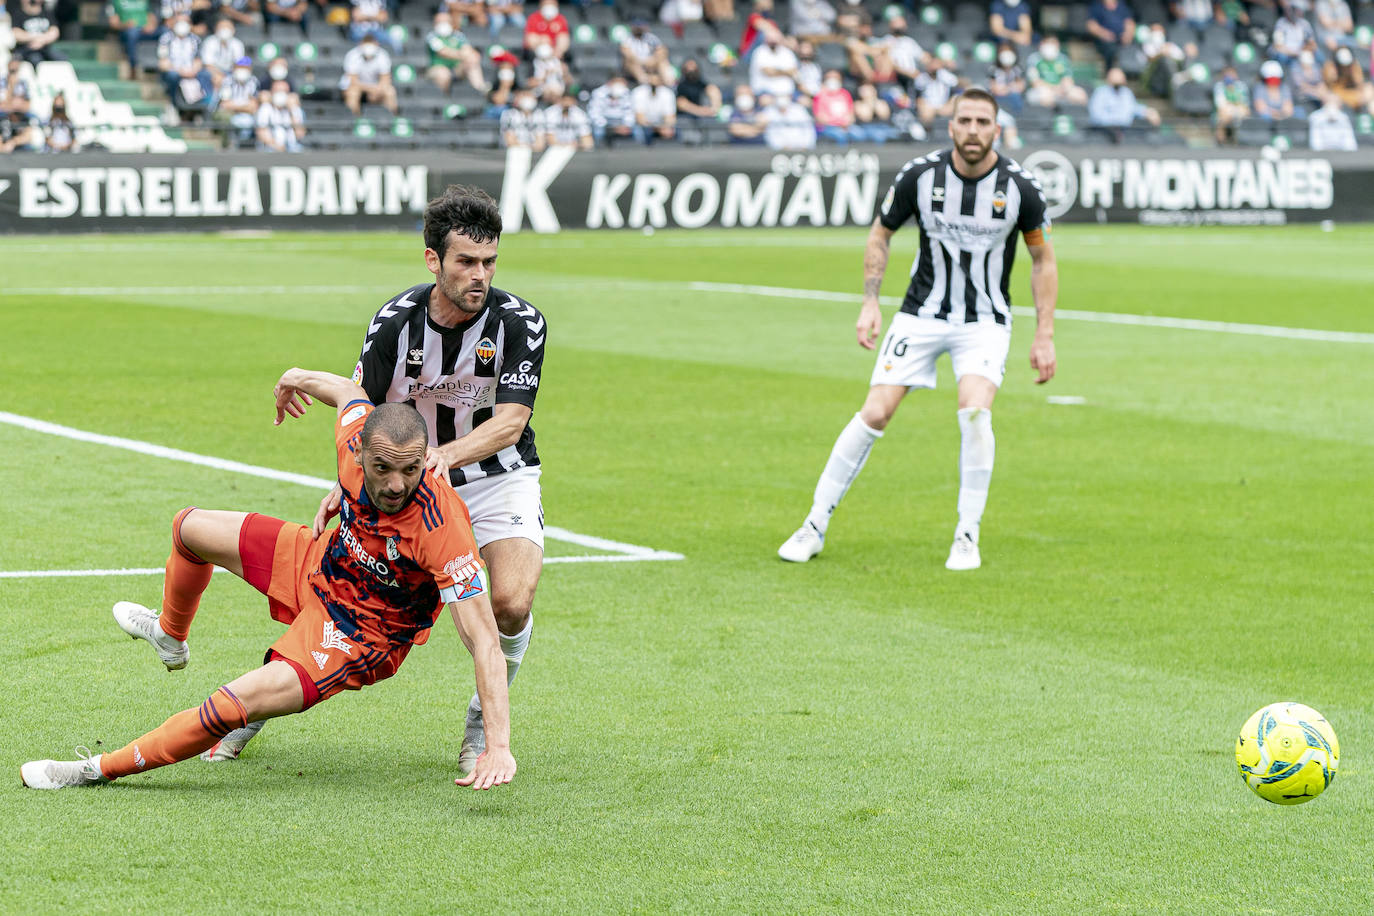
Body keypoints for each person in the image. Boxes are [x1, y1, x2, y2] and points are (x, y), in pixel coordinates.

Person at [20, 368, 517, 791]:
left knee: (227, 705)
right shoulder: (355, 437)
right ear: (359, 449)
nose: (395, 484)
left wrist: (498, 746)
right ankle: (170, 636)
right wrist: (295, 379)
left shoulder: (443, 527)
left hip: (357, 634)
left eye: (409, 471)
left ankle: (90, 770)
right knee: (188, 528)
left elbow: (486, 643)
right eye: (383, 468)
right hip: (316, 562)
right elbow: (347, 393)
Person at [296, 186, 545, 779]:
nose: (479, 274)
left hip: (494, 476)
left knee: (509, 603)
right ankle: (252, 706)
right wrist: (350, 480)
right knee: (344, 593)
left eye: (489, 262)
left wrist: (442, 457)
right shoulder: (394, 325)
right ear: (433, 260)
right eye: (465, 261)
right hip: (404, 484)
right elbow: (364, 409)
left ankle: (484, 726)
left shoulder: (520, 323)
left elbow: (510, 424)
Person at [778, 88, 1057, 572]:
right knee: (874, 413)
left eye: (982, 122)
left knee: (974, 412)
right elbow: (880, 233)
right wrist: (870, 301)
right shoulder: (919, 176)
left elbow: (1042, 259)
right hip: (920, 315)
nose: (973, 131)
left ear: (997, 128)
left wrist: (1044, 333)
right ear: (950, 126)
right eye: (964, 121)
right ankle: (813, 526)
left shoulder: (1021, 188)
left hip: (984, 321)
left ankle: (966, 537)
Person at [1088, 66, 1162, 140]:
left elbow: (1134, 108)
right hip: (1105, 131)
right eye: (1115, 77)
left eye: (1120, 77)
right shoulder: (1101, 92)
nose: (1117, 80)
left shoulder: (1126, 93)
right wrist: (1115, 122)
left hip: (1126, 130)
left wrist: (1148, 112)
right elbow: (1096, 115)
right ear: (1108, 79)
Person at [426, 11, 486, 94]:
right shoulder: (432, 36)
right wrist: (464, 55)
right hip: (438, 67)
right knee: (443, 74)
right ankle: (446, 98)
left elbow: (469, 50)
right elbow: (443, 52)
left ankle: (481, 90)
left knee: (472, 61)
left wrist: (469, 55)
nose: (442, 24)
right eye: (439, 22)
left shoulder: (458, 35)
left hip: (457, 67)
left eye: (445, 21)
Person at [342, 33, 397, 116]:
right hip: (357, 86)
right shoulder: (352, 55)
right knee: (352, 94)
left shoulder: (383, 55)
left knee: (390, 92)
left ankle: (392, 120)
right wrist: (371, 90)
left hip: (375, 86)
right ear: (360, 44)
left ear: (377, 44)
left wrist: (377, 90)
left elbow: (385, 79)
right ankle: (355, 121)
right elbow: (353, 81)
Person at [1026, 36, 1088, 106]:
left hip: (1061, 89)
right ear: (1041, 44)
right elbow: (1035, 82)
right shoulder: (1033, 59)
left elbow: (1068, 79)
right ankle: (1047, 116)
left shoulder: (1063, 59)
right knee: (1046, 95)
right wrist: (1053, 89)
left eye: (1053, 43)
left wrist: (1062, 89)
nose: (1051, 47)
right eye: (1048, 43)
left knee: (1080, 94)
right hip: (1041, 89)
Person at [106, 0, 160, 71]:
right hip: (127, 31)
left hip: (145, 30)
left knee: (165, 31)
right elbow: (113, 22)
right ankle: (133, 66)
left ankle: (164, 64)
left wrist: (151, 25)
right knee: (132, 33)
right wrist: (125, 25)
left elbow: (152, 16)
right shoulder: (115, 1)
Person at [218, 55, 259, 145]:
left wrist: (234, 105)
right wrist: (245, 105)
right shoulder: (227, 81)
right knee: (224, 117)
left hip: (247, 116)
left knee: (252, 121)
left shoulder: (253, 82)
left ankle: (244, 145)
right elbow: (224, 105)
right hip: (231, 115)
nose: (242, 70)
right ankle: (228, 144)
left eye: (245, 68)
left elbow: (253, 107)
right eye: (240, 67)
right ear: (234, 68)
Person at [255, 79, 305, 149]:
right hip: (270, 148)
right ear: (271, 92)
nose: (280, 94)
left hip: (292, 148)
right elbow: (262, 133)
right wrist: (278, 147)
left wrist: (291, 111)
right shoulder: (265, 108)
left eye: (284, 91)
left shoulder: (294, 109)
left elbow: (300, 134)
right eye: (277, 91)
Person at [620, 18, 673, 84]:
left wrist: (653, 60)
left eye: (641, 26)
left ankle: (670, 84)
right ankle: (646, 82)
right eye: (637, 27)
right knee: (630, 63)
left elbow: (662, 50)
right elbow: (627, 54)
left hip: (651, 62)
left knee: (664, 62)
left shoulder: (651, 37)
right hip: (635, 64)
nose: (639, 28)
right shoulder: (627, 38)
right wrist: (643, 62)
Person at [587, 74, 636, 145]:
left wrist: (626, 125)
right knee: (598, 131)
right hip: (604, 123)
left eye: (622, 82)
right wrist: (610, 127)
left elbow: (630, 112)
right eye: (618, 82)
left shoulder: (627, 92)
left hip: (621, 122)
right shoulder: (598, 93)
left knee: (637, 131)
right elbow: (594, 114)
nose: (620, 85)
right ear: (610, 82)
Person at [1086, 0, 1137, 67]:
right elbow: (1091, 25)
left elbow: (1130, 22)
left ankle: (1131, 71)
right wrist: (1104, 34)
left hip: (1122, 38)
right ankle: (1112, 70)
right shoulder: (1097, 6)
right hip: (1106, 40)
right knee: (1111, 50)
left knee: (1133, 47)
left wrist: (1127, 35)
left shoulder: (1122, 5)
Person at [1323, 45, 1372, 114]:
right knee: (1332, 99)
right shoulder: (1330, 67)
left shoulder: (1354, 66)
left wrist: (1352, 73)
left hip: (1353, 93)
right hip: (1338, 95)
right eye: (1342, 65)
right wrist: (1333, 76)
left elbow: (1360, 84)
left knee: (1369, 91)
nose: (1345, 67)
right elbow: (1330, 88)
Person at [13, 0, 63, 67]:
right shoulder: (18, 14)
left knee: (61, 59)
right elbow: (16, 34)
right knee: (36, 59)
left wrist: (41, 41)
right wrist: (37, 38)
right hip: (26, 49)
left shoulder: (47, 13)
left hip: (45, 48)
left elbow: (55, 32)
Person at [750, 31, 799, 99]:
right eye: (770, 38)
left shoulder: (787, 52)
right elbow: (768, 72)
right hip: (765, 91)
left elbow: (794, 71)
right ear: (765, 39)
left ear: (780, 39)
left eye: (775, 38)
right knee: (766, 100)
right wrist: (786, 72)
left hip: (787, 92)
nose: (773, 41)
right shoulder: (760, 52)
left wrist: (775, 71)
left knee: (805, 101)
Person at [199, 18, 244, 88]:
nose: (225, 29)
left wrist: (226, 78)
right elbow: (208, 65)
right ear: (216, 29)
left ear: (233, 30)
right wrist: (219, 75)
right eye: (222, 27)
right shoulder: (209, 42)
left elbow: (239, 64)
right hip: (212, 71)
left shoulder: (238, 44)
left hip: (230, 73)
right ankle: (209, 98)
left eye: (228, 27)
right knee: (206, 75)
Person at [1269, 4, 1315, 69]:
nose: (1294, 16)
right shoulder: (1281, 23)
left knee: (1314, 55)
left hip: (1300, 51)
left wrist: (1303, 50)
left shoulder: (1304, 24)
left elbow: (1312, 43)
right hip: (1285, 52)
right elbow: (1278, 46)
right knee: (1282, 57)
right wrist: (1294, 53)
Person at [1211, 63, 1250, 141]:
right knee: (1223, 114)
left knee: (1244, 112)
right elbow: (1220, 105)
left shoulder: (1241, 86)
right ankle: (1221, 141)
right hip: (1225, 110)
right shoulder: (1219, 86)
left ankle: (1239, 139)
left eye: (1232, 73)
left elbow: (1244, 103)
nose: (1230, 76)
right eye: (1228, 74)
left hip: (1238, 109)